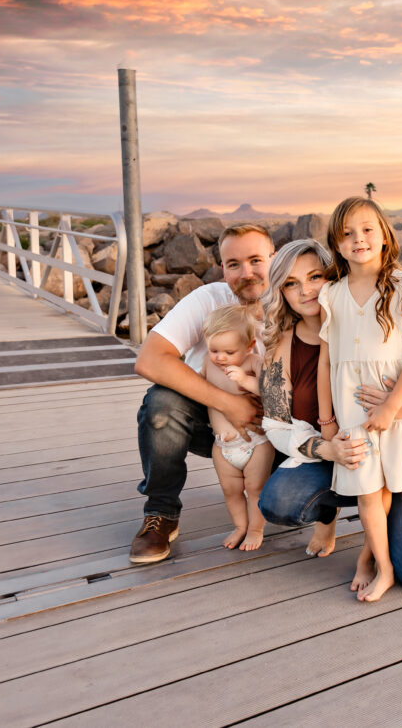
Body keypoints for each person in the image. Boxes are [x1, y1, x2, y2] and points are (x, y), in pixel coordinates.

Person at [257, 236, 402, 595]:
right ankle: (332, 516)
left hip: (390, 448)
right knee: (279, 501)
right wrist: (324, 448)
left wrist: (397, 406)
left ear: (333, 277)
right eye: (291, 283)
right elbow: (275, 423)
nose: (306, 291)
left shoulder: (373, 317)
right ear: (281, 292)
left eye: (315, 277)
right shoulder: (279, 346)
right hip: (333, 453)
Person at [130, 223, 273, 564]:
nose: (246, 273)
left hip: (277, 432)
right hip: (214, 425)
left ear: (275, 258)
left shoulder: (297, 301)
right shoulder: (209, 300)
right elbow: (149, 359)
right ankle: (161, 515)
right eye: (233, 264)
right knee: (161, 404)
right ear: (222, 267)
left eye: (256, 260)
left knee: (288, 506)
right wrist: (228, 403)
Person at [317, 196, 402, 602]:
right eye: (347, 233)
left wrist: (390, 406)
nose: (358, 239)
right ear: (336, 243)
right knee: (368, 490)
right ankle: (384, 568)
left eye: (367, 229)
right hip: (351, 407)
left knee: (385, 490)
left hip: (392, 405)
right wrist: (326, 420)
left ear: (385, 235)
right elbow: (326, 360)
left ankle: (368, 556)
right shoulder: (331, 293)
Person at [201, 304, 274, 550]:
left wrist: (245, 381)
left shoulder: (254, 363)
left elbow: (271, 392)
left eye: (229, 352)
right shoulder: (208, 364)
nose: (221, 358)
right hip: (223, 445)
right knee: (230, 490)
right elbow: (198, 388)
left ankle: (255, 529)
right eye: (214, 350)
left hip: (256, 444)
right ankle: (240, 526)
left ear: (249, 346)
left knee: (255, 489)